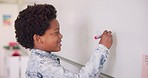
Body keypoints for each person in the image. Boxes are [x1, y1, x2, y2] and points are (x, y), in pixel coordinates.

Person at [14, 4, 113, 78]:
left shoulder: (37, 60)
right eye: (56, 32)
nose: (61, 36)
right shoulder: (44, 65)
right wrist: (102, 48)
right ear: (38, 38)